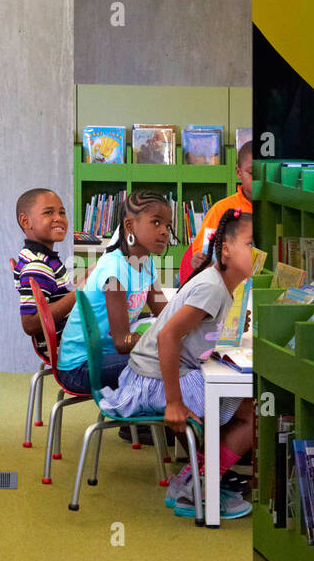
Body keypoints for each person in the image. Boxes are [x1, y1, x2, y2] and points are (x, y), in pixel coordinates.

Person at [100, 207, 254, 520]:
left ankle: (196, 479)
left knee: (243, 402)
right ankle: (196, 486)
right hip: (152, 383)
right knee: (252, 413)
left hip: (149, 374)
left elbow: (191, 334)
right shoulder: (212, 286)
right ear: (225, 249)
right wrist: (174, 402)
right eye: (251, 245)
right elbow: (167, 337)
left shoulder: (218, 283)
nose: (258, 253)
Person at [57, 188, 172, 394]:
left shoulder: (146, 263)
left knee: (176, 354)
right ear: (129, 225)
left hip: (105, 356)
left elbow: (165, 312)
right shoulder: (115, 270)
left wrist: (199, 322)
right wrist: (162, 340)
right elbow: (122, 342)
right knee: (168, 360)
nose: (164, 231)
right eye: (156, 222)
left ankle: (139, 424)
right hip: (81, 366)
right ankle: (139, 424)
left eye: (167, 225)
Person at [13, 189, 77, 359]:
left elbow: (61, 291)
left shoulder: (44, 258)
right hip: (68, 346)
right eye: (49, 212)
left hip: (72, 338)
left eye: (62, 212)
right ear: (25, 221)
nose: (59, 218)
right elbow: (30, 323)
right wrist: (80, 294)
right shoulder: (37, 265)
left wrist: (91, 274)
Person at [190, 138, 253, 266]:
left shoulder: (280, 207)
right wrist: (199, 260)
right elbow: (201, 252)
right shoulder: (221, 209)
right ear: (238, 173)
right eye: (252, 173)